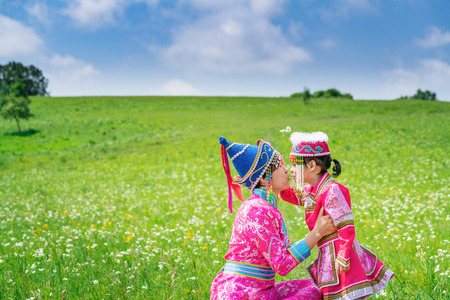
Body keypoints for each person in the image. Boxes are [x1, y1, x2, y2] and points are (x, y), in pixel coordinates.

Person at [210, 136, 337, 299]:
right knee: (315, 292)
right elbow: (282, 264)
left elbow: (306, 193)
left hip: (259, 289)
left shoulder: (263, 206)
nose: (286, 170)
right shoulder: (256, 211)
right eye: (279, 166)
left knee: (319, 286)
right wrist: (316, 233)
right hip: (242, 292)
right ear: (263, 178)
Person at [280, 131, 394, 300]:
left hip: (340, 252)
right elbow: (288, 194)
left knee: (348, 295)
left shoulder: (331, 190)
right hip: (328, 252)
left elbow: (346, 225)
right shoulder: (310, 191)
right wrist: (275, 180)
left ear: (312, 165)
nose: (291, 170)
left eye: (295, 165)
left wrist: (343, 254)